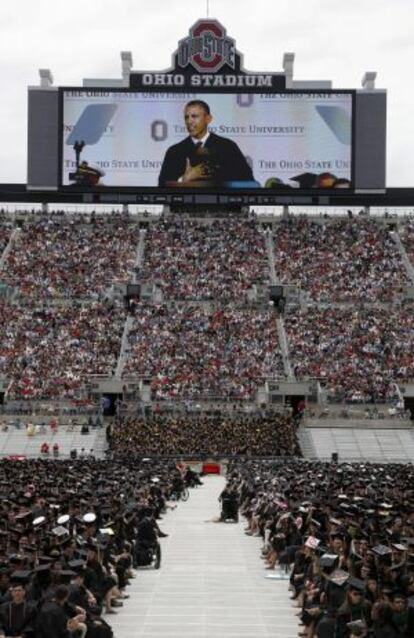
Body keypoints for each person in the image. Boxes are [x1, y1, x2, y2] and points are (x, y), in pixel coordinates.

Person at [158, 100, 255, 187]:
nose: (189, 121)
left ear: (208, 119)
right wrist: (183, 180)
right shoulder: (174, 151)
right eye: (186, 117)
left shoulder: (227, 147)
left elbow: (248, 182)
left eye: (194, 116)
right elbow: (162, 187)